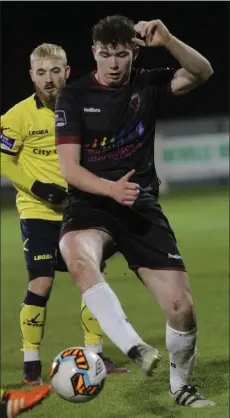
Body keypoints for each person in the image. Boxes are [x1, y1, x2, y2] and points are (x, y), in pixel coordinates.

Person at [55, 15, 215, 408]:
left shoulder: (148, 83)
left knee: (182, 307)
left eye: (121, 54)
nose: (113, 63)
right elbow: (70, 169)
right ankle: (133, 346)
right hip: (93, 203)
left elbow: (202, 71)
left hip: (140, 205)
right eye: (105, 54)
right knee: (78, 257)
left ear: (134, 53)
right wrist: (109, 188)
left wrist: (170, 39)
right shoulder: (74, 97)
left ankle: (181, 388)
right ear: (94, 53)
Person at [1, 43, 127, 386]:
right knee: (41, 282)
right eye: (41, 72)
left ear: (67, 72)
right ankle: (30, 365)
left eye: (55, 71)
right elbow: (2, 159)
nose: (49, 79)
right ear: (32, 76)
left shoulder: (83, 109)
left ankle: (97, 355)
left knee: (92, 281)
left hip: (80, 210)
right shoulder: (16, 117)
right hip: (37, 210)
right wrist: (38, 187)